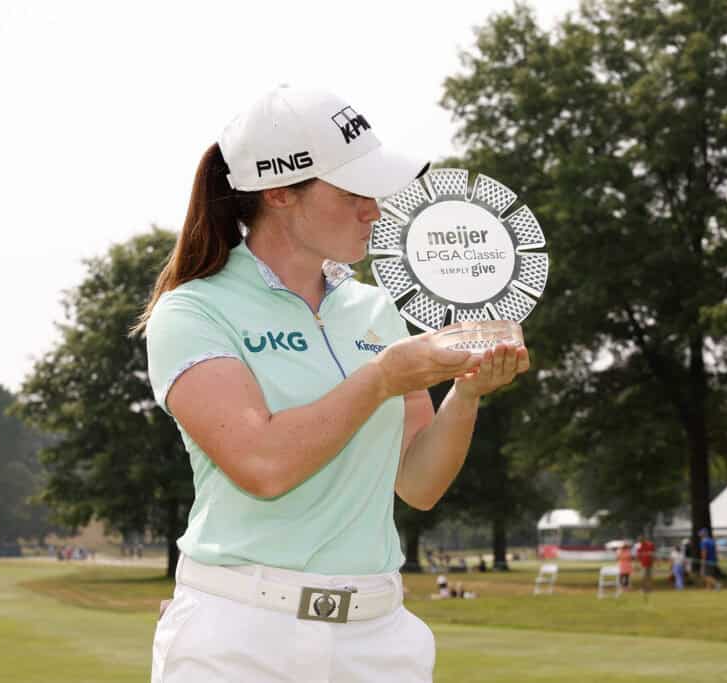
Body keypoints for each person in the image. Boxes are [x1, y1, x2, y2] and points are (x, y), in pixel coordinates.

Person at [139, 85, 531, 683]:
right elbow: (262, 464)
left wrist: (467, 393)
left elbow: (418, 483)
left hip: (379, 636)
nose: (373, 209)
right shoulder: (192, 311)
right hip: (240, 634)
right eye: (351, 193)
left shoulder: (376, 311)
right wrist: (382, 378)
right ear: (278, 192)